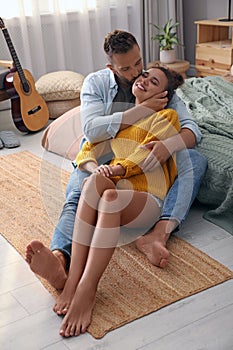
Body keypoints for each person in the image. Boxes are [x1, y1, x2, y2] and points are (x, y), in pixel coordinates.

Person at [25, 29, 207, 291]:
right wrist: (140, 110)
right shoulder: (97, 83)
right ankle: (59, 259)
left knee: (195, 159)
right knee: (78, 192)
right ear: (111, 66)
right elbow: (92, 131)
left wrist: (168, 145)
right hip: (106, 156)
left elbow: (192, 129)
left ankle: (158, 234)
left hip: (141, 165)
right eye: (127, 68)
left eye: (139, 64)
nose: (136, 73)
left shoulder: (160, 88)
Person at [54, 66, 183, 337]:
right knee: (100, 188)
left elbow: (144, 155)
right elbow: (87, 149)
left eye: (154, 81)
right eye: (144, 75)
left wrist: (117, 168)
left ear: (163, 95)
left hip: (148, 198)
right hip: (116, 190)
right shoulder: (119, 119)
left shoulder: (166, 116)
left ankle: (87, 288)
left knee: (110, 196)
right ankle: (72, 280)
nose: (144, 80)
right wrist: (96, 169)